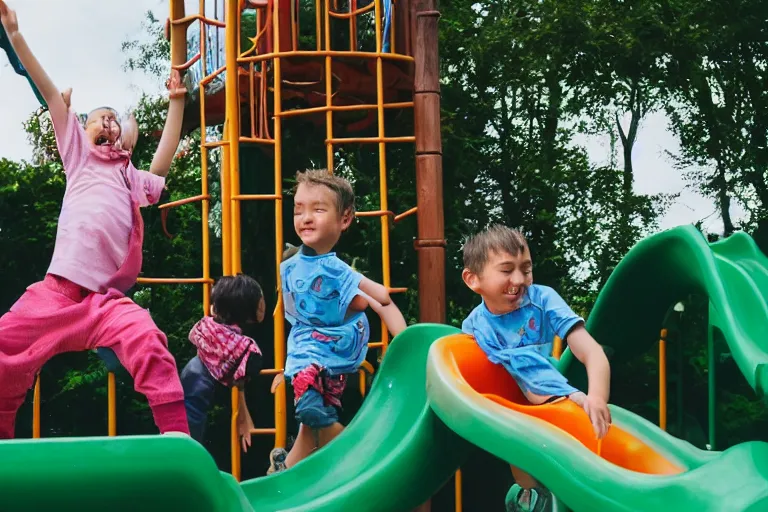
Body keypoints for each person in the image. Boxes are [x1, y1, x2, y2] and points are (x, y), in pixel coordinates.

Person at [0, 0, 190, 437]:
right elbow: (49, 92)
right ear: (80, 129)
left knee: (147, 339)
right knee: (5, 350)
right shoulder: (78, 157)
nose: (106, 124)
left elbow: (162, 160)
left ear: (125, 135)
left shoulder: (129, 176)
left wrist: (175, 102)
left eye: (113, 119)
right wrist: (15, 36)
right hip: (55, 294)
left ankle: (177, 437)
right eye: (98, 118)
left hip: (102, 303)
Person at [461, 225, 612, 512]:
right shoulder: (474, 326)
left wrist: (596, 397)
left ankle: (538, 494)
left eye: (526, 269)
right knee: (521, 458)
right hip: (509, 406)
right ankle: (530, 493)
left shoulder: (542, 300)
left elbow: (592, 352)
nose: (519, 279)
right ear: (473, 279)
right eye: (506, 270)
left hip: (551, 394)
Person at [267, 169, 407, 474]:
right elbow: (295, 313)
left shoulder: (338, 271)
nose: (306, 218)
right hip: (309, 350)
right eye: (299, 209)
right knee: (311, 410)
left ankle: (286, 466)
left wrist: (406, 341)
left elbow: (381, 299)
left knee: (311, 420)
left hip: (335, 353)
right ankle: (354, 453)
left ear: (344, 219)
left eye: (318, 209)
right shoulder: (290, 266)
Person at [180, 274, 266, 452]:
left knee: (184, 432)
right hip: (200, 387)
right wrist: (244, 413)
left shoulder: (206, 326)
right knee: (189, 437)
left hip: (191, 375)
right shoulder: (246, 348)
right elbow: (242, 377)